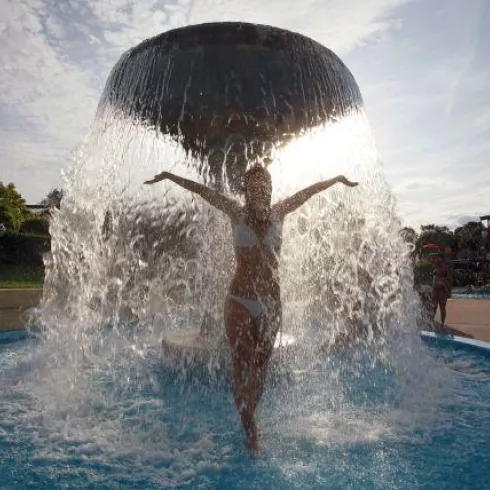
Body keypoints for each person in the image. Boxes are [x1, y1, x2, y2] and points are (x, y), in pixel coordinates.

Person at [144, 165, 358, 452]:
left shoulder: (280, 211)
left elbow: (309, 191)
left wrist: (337, 178)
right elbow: (202, 190)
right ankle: (251, 430)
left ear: (269, 189)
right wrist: (170, 177)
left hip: (271, 302)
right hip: (239, 300)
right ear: (246, 190)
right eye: (254, 185)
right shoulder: (236, 212)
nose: (260, 190)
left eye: (264, 185)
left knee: (261, 363)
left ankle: (250, 413)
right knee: (242, 356)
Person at [428, 252, 452, 328]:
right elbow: (429, 259)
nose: (437, 259)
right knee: (433, 307)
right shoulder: (436, 265)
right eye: (436, 258)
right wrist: (431, 255)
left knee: (442, 308)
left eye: (438, 257)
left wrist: (448, 289)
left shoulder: (446, 266)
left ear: (441, 258)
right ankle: (431, 321)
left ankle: (442, 323)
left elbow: (450, 278)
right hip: (435, 289)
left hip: (442, 290)